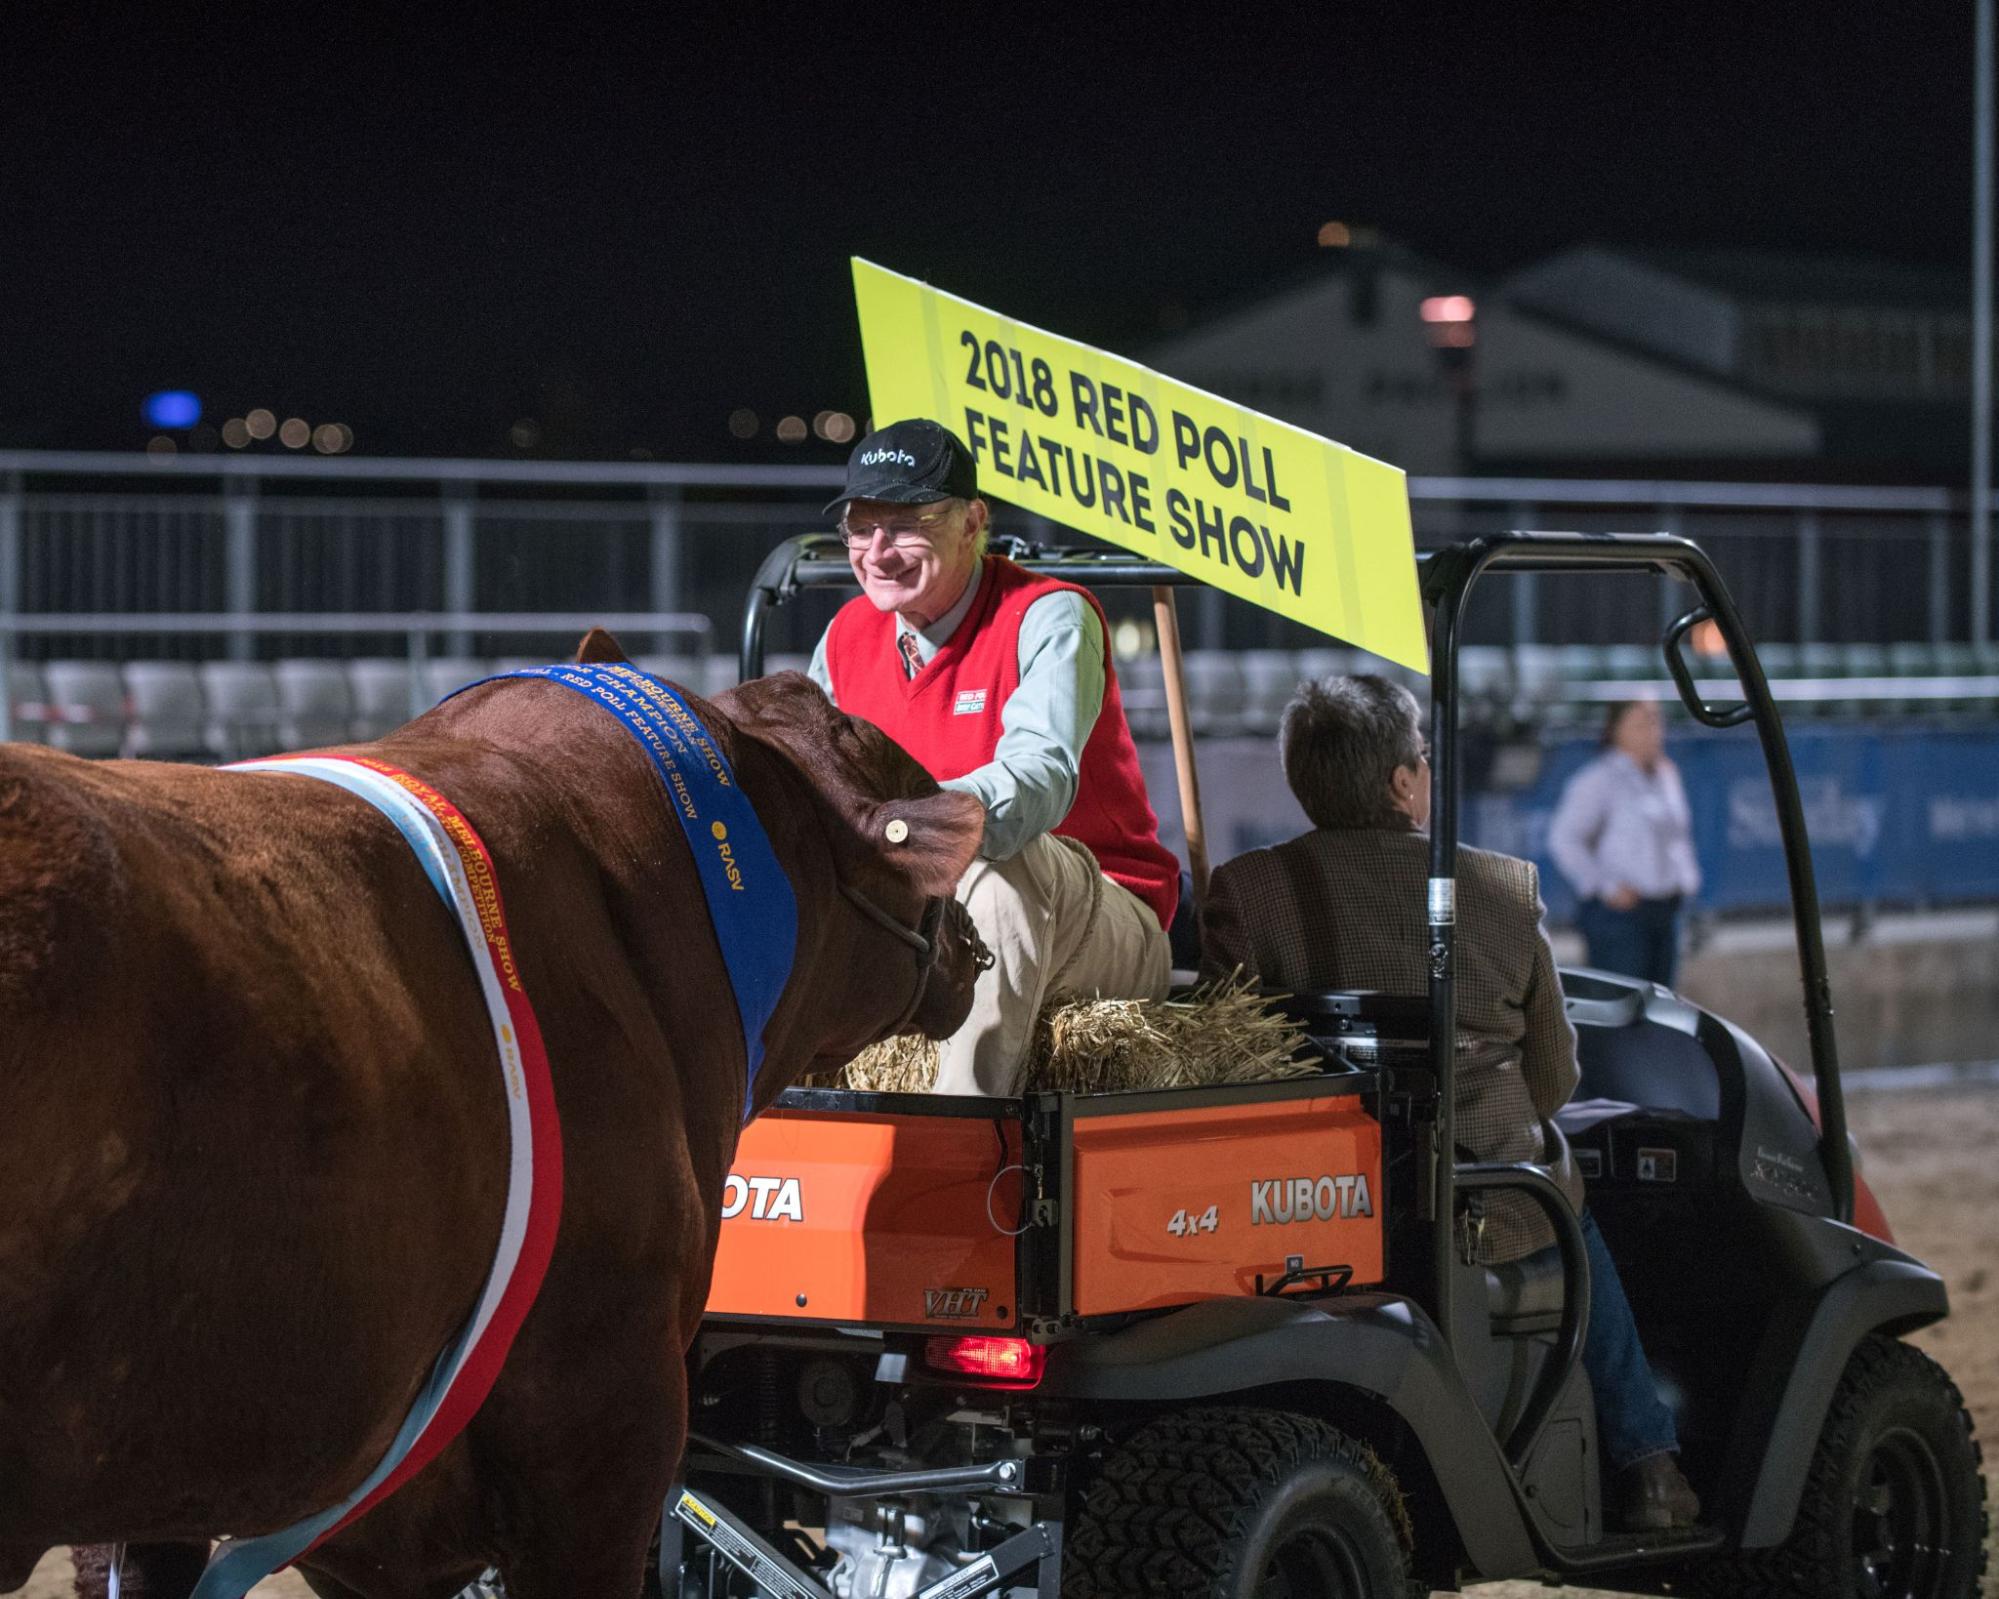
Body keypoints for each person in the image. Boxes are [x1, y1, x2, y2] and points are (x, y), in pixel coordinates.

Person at [1201, 674, 1699, 1532]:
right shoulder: (1503, 891)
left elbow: (1223, 1059)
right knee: (1571, 1205)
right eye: (1422, 758)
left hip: (1316, 1207)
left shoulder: (1250, 890)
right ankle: (1650, 1464)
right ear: (1401, 782)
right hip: (1492, 1197)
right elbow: (1553, 1078)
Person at [808, 418, 1179, 1095]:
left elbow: (1036, 783)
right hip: (920, 915)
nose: (878, 551)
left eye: (906, 524)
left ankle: (962, 1152)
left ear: (972, 520)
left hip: (1104, 915)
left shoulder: (1049, 616)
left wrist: (904, 830)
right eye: (862, 528)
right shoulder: (843, 637)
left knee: (1004, 861)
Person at [1549, 699, 1700, 986]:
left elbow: (1677, 837)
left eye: (1655, 721)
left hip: (1666, 911)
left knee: (1663, 1007)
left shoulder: (1667, 774)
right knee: (1622, 1007)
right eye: (1640, 724)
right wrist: (1606, 887)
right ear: (1616, 730)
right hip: (1620, 919)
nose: (1651, 732)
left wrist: (1685, 880)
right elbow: (1564, 839)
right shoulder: (1598, 778)